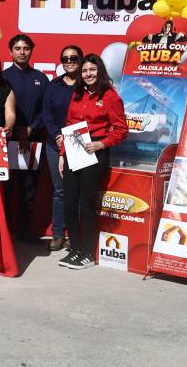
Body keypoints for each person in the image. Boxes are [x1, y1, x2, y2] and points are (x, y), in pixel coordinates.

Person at [58, 54, 128, 270]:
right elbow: (69, 124)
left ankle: (87, 252)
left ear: (100, 72)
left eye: (92, 70)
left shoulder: (110, 97)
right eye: (85, 71)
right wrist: (62, 153)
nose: (88, 74)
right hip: (73, 149)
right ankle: (76, 248)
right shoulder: (77, 93)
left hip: (95, 151)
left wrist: (102, 144)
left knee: (86, 205)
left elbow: (121, 129)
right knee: (69, 203)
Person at [2, 34, 49, 241]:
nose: (22, 52)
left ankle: (26, 232)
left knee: (29, 188)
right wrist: (14, 129)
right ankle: (3, 232)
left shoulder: (41, 78)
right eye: (18, 48)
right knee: (6, 187)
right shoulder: (2, 77)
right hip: (7, 141)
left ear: (31, 51)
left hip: (32, 140)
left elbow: (46, 110)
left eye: (26, 48)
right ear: (10, 51)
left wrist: (31, 129)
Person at [40, 45, 83, 251]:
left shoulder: (87, 85)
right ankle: (58, 233)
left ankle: (75, 235)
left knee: (79, 191)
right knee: (59, 191)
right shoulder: (53, 85)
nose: (69, 61)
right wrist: (58, 136)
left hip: (80, 143)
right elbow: (46, 113)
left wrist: (69, 138)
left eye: (73, 58)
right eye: (65, 58)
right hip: (54, 142)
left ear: (81, 60)